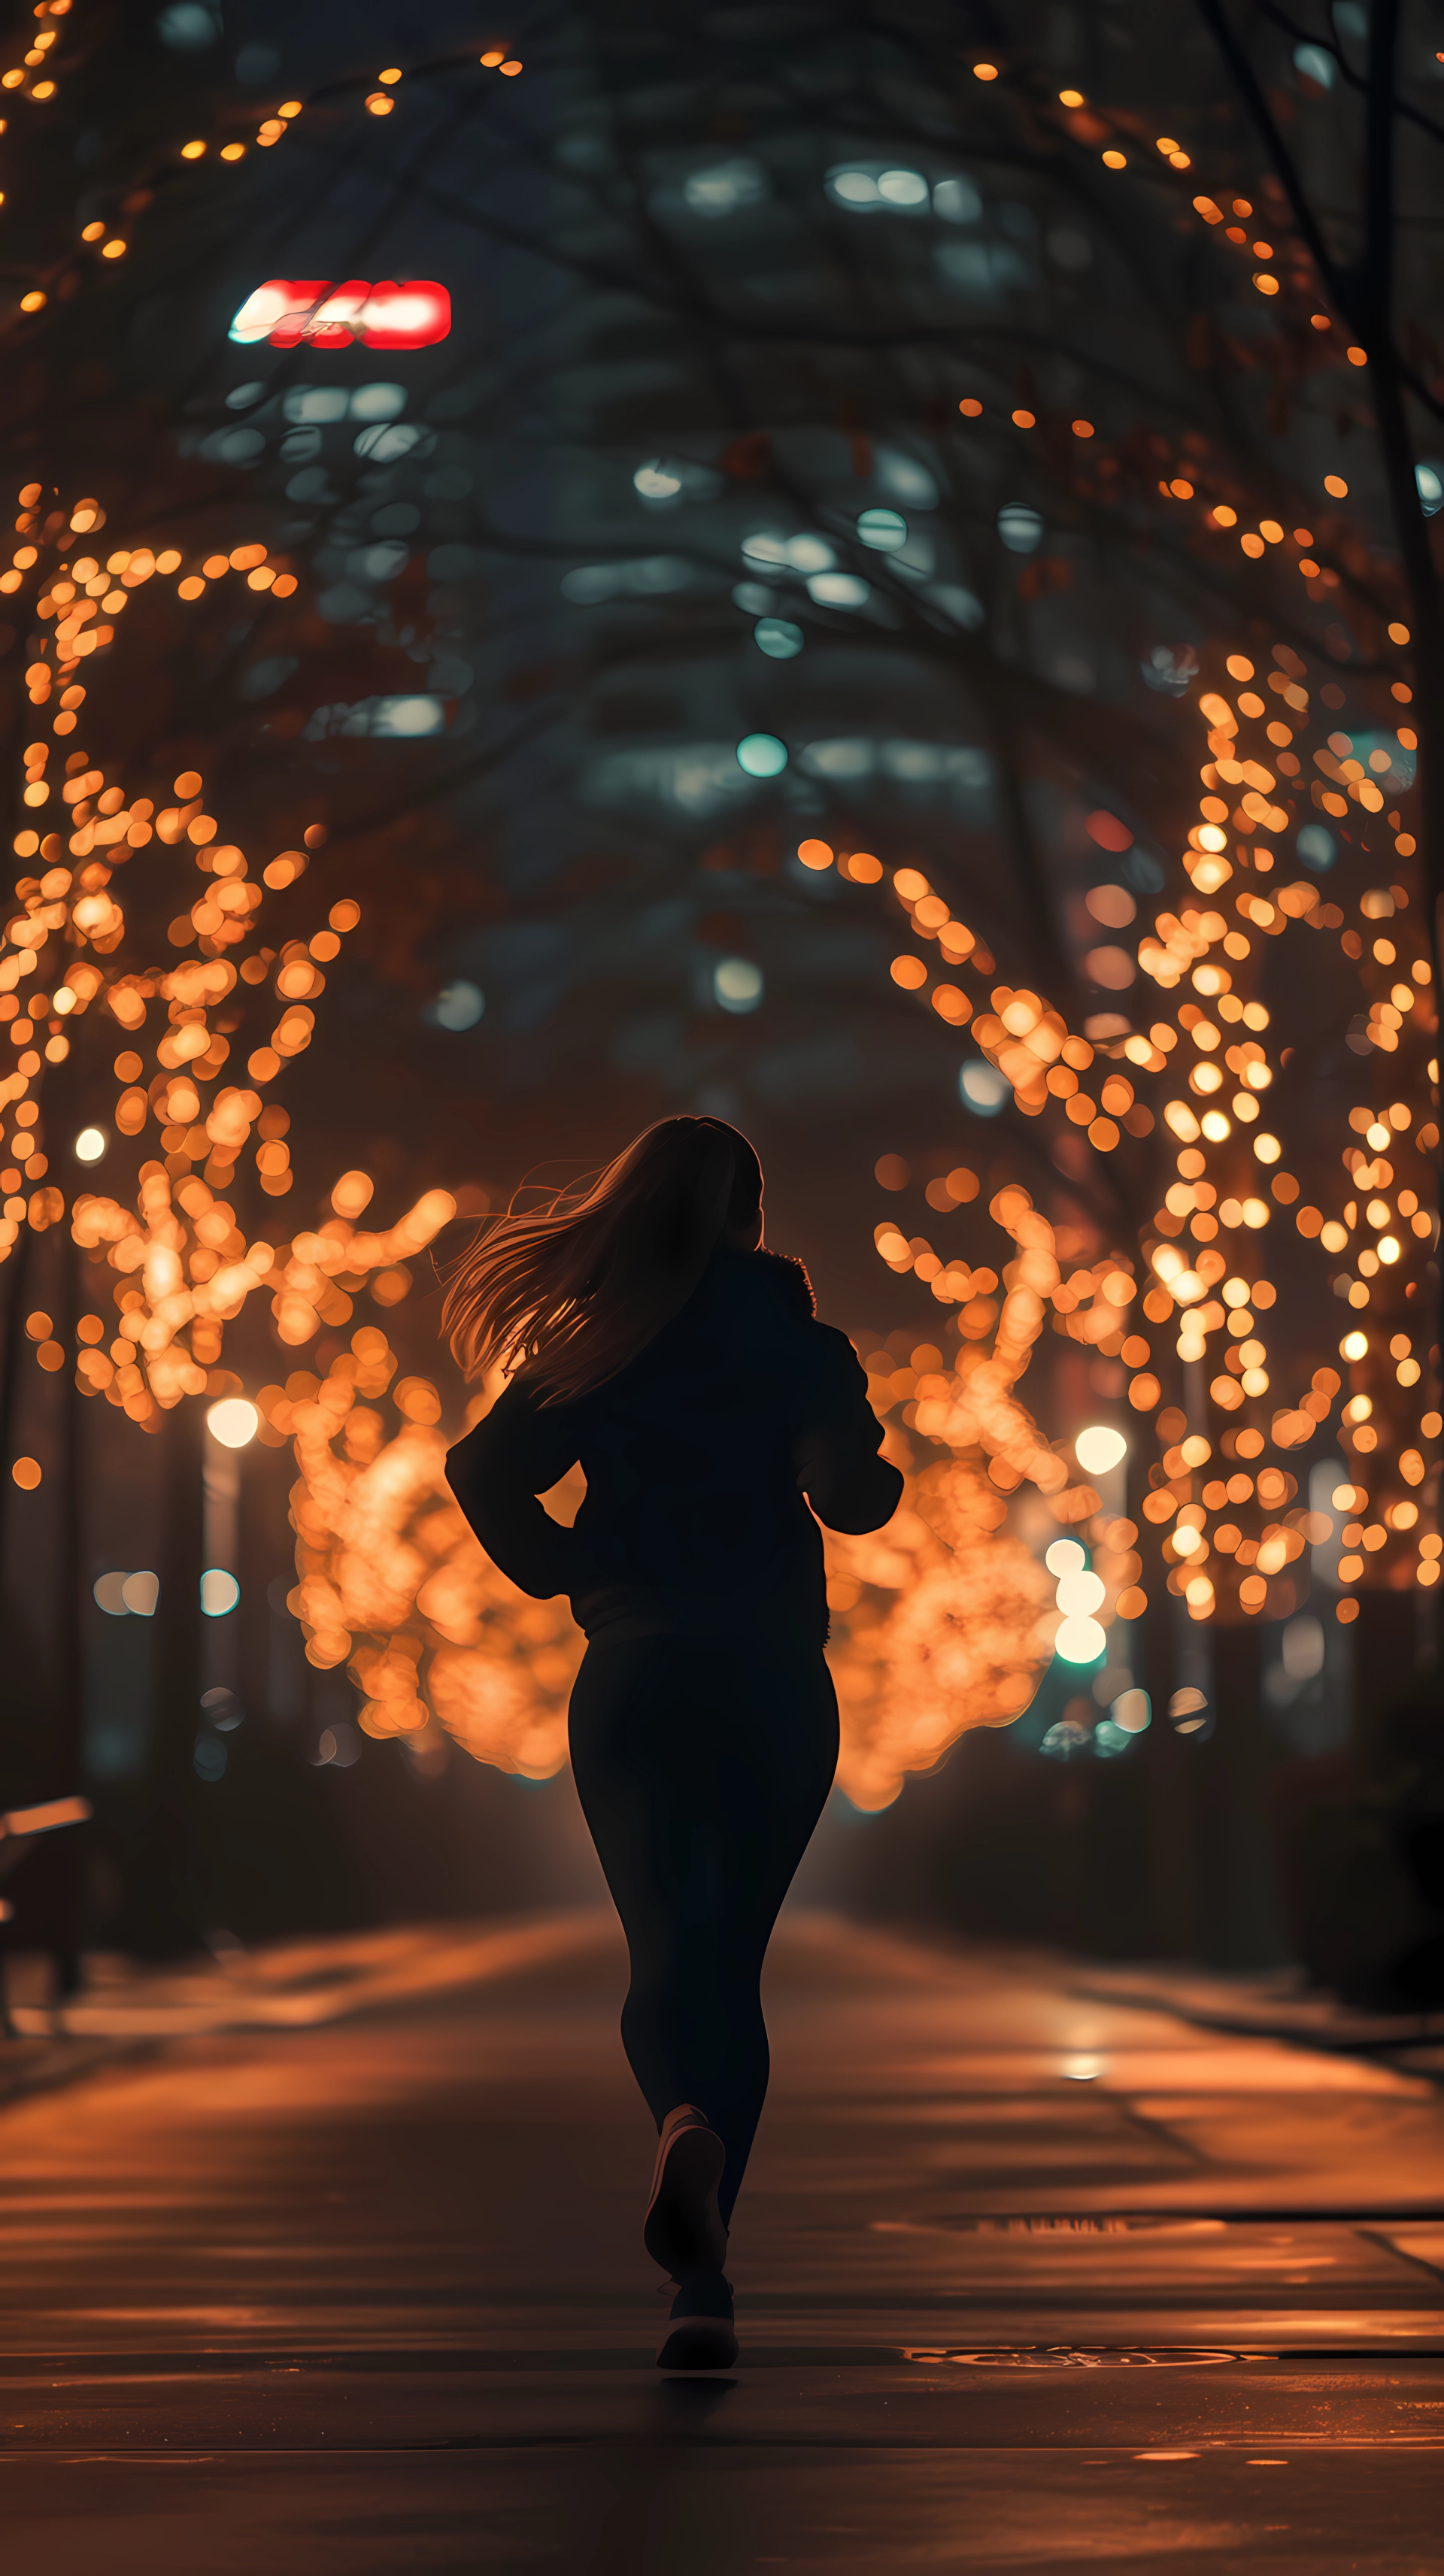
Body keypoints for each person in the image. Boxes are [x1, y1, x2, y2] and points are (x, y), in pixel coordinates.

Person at [442, 1117, 902, 2368]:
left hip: (638, 1672)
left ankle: (681, 2125)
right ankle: (702, 2282)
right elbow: (858, 1494)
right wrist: (829, 1461)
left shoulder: (598, 1347)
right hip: (771, 1679)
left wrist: (564, 1568)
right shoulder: (799, 1343)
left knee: (664, 1948)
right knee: (731, 1967)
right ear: (750, 1215)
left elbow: (480, 1467)